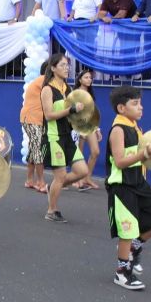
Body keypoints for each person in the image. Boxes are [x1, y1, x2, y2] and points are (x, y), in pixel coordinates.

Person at [105, 85, 151, 290]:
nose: (140, 107)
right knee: (127, 229)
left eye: (140, 103)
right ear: (121, 108)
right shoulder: (118, 129)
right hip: (122, 186)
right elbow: (121, 161)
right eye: (135, 104)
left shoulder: (135, 127)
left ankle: (134, 247)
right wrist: (144, 154)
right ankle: (122, 272)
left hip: (139, 183)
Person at [40, 53, 89, 222]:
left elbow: (71, 115)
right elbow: (49, 115)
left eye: (67, 65)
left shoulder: (67, 89)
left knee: (82, 171)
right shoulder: (47, 89)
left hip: (67, 136)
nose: (66, 68)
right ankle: (51, 210)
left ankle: (52, 186)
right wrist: (70, 110)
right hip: (53, 137)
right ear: (53, 68)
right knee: (60, 176)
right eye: (62, 65)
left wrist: (86, 125)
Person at [20, 62, 48, 193]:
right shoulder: (44, 81)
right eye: (61, 65)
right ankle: (41, 182)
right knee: (37, 148)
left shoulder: (48, 82)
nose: (65, 69)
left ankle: (29, 180)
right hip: (31, 118)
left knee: (33, 148)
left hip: (36, 119)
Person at [72, 69, 102, 190]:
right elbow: (73, 112)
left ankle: (87, 178)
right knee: (79, 154)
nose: (89, 79)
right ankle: (77, 180)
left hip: (90, 126)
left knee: (95, 152)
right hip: (78, 126)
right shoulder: (76, 93)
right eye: (86, 77)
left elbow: (92, 113)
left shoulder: (90, 93)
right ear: (80, 79)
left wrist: (97, 129)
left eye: (90, 78)